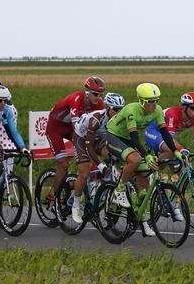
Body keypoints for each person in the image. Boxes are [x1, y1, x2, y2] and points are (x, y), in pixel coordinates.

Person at [106, 83, 181, 236]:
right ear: (141, 101)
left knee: (145, 175)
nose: (154, 105)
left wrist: (175, 151)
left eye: (156, 101)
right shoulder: (132, 110)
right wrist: (145, 155)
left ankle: (144, 221)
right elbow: (134, 138)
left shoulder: (158, 110)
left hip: (129, 139)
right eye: (150, 101)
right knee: (135, 160)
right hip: (114, 135)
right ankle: (119, 191)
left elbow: (165, 133)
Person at [44, 76, 106, 203]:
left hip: (72, 129)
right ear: (87, 92)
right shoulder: (76, 98)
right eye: (95, 94)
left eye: (100, 94)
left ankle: (73, 184)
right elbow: (76, 127)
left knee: (89, 160)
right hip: (55, 128)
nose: (98, 97)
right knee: (63, 163)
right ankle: (54, 194)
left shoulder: (99, 104)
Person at [68, 92, 125, 224]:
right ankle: (76, 205)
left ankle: (103, 186)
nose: (118, 112)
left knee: (114, 155)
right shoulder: (96, 119)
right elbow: (89, 147)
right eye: (116, 109)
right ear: (108, 108)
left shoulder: (120, 120)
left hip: (99, 139)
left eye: (121, 109)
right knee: (85, 172)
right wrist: (100, 165)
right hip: (82, 140)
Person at [145, 91, 194, 160]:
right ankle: (151, 168)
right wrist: (181, 149)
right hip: (153, 131)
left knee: (178, 166)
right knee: (171, 151)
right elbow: (169, 139)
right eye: (193, 108)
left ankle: (159, 168)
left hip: (166, 135)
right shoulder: (173, 114)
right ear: (184, 107)